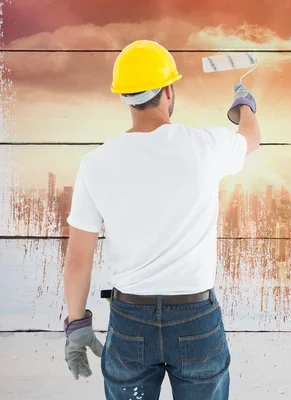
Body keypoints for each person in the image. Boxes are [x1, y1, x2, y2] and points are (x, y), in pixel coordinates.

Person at [61, 39, 260, 400]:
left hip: (129, 321)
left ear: (123, 97)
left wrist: (77, 326)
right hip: (196, 318)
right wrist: (243, 105)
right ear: (169, 90)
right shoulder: (204, 146)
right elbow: (250, 138)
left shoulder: (96, 164)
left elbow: (77, 261)